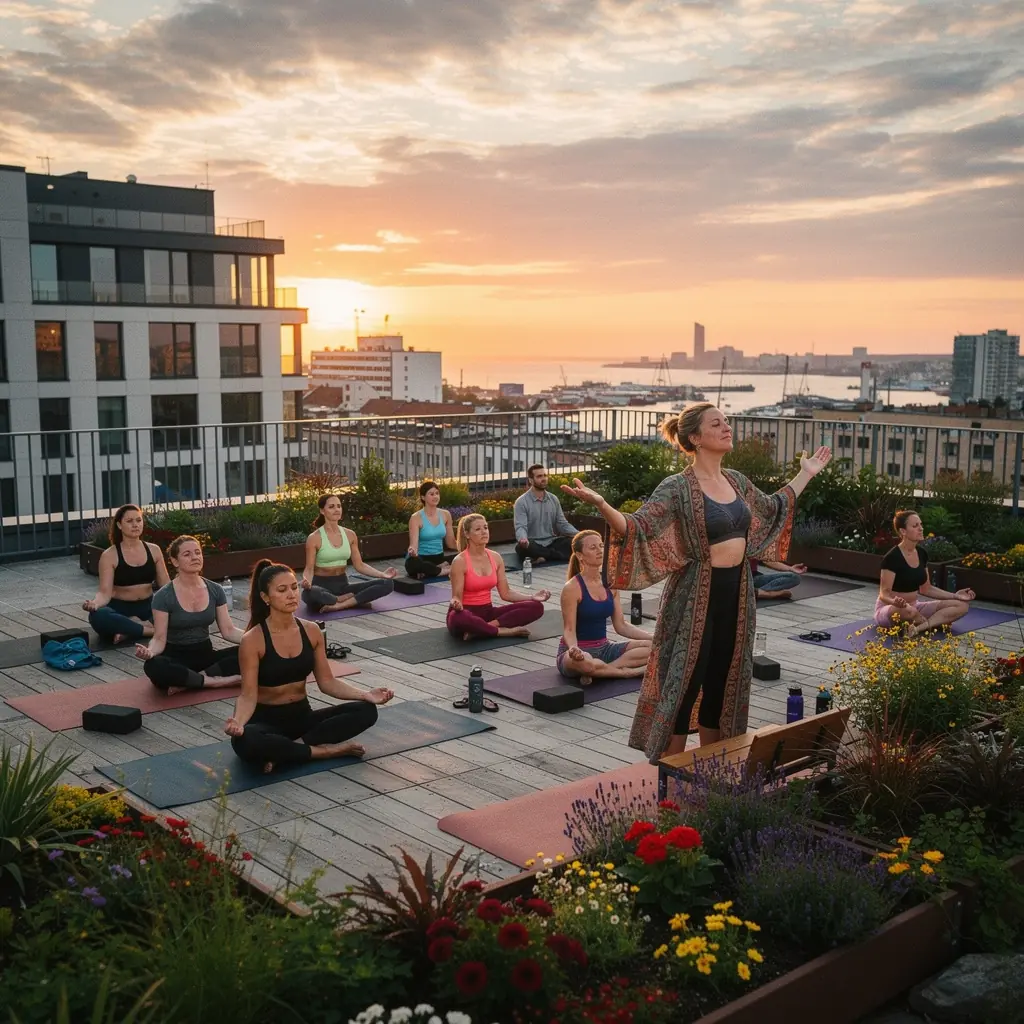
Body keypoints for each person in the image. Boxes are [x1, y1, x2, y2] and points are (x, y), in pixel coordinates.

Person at [562, 402, 831, 759]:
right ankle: (670, 775)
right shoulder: (676, 487)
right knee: (685, 684)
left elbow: (773, 508)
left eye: (727, 421)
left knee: (722, 682)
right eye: (717, 424)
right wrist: (601, 504)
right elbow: (638, 527)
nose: (727, 428)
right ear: (695, 438)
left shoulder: (736, 480)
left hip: (737, 595)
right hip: (693, 599)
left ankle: (712, 769)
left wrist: (807, 473)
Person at [224, 560, 393, 773]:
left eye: (294, 587)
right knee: (246, 741)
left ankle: (288, 752)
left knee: (366, 711)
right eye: (282, 590)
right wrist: (238, 723)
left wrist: (366, 694)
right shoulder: (253, 640)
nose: (291, 594)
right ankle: (328, 752)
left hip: (302, 718)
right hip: (266, 722)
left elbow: (327, 682)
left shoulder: (312, 631)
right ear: (266, 597)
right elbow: (248, 696)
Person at [135, 535, 245, 693]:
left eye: (198, 553)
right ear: (175, 561)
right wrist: (150, 652)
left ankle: (192, 680)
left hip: (206, 657)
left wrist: (257, 639)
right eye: (187, 554)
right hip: (175, 658)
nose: (195, 557)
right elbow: (159, 638)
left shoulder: (215, 590)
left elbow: (228, 631)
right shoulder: (163, 596)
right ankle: (215, 682)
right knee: (153, 666)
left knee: (248, 652)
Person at [558, 530, 652, 686]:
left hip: (605, 649)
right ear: (580, 555)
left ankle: (601, 671)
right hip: (578, 653)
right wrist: (574, 650)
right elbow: (569, 630)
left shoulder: (610, 583)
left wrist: (652, 637)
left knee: (654, 647)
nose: (600, 550)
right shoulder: (572, 588)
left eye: (601, 546)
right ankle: (626, 672)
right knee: (586, 663)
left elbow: (621, 626)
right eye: (593, 547)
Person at [447, 513, 550, 639]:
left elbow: (506, 593)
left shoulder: (495, 557)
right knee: (459, 617)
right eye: (478, 529)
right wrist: (456, 603)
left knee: (536, 607)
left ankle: (485, 628)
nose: (484, 532)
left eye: (485, 528)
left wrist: (532, 597)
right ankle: (503, 631)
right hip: (465, 612)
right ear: (467, 534)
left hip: (488, 612)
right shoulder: (460, 561)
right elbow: (456, 597)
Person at [876, 510, 974, 637]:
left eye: (920, 524)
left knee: (962, 606)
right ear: (903, 531)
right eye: (915, 526)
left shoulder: (922, 553)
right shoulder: (892, 558)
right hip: (892, 609)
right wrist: (895, 602)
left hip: (915, 607)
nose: (921, 529)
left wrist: (955, 596)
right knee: (908, 611)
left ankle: (921, 626)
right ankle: (928, 621)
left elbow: (926, 588)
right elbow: (884, 594)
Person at [83, 504, 170, 643]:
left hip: (148, 608)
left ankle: (128, 630)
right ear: (119, 525)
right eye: (129, 521)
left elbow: (166, 586)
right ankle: (149, 631)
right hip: (120, 608)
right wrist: (94, 604)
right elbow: (104, 593)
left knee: (175, 611)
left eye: (138, 520)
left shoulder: (154, 550)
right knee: (98, 616)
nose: (135, 525)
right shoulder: (109, 555)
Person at [301, 494, 397, 613]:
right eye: (331, 507)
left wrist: (382, 574)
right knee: (309, 594)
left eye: (339, 506)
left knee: (387, 583)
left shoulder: (350, 534)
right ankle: (348, 600)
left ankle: (339, 605)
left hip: (343, 586)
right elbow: (309, 569)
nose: (336, 510)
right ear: (322, 511)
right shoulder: (314, 538)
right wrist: (307, 582)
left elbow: (359, 565)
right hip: (321, 586)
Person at [513, 464, 577, 565]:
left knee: (573, 543)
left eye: (544, 475)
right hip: (533, 543)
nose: (543, 479)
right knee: (521, 548)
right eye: (539, 476)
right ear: (531, 480)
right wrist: (523, 539)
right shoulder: (521, 502)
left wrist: (580, 535)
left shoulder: (553, 499)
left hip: (551, 542)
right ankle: (555, 556)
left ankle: (543, 557)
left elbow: (562, 524)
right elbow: (520, 526)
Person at [405, 481, 457, 579]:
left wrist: (468, 548)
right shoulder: (416, 517)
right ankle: (446, 570)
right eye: (431, 494)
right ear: (423, 497)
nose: (435, 496)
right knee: (413, 564)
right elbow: (413, 545)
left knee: (463, 557)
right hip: (421, 559)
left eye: (437, 493)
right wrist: (412, 551)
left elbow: (451, 543)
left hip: (440, 558)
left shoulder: (446, 515)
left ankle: (433, 570)